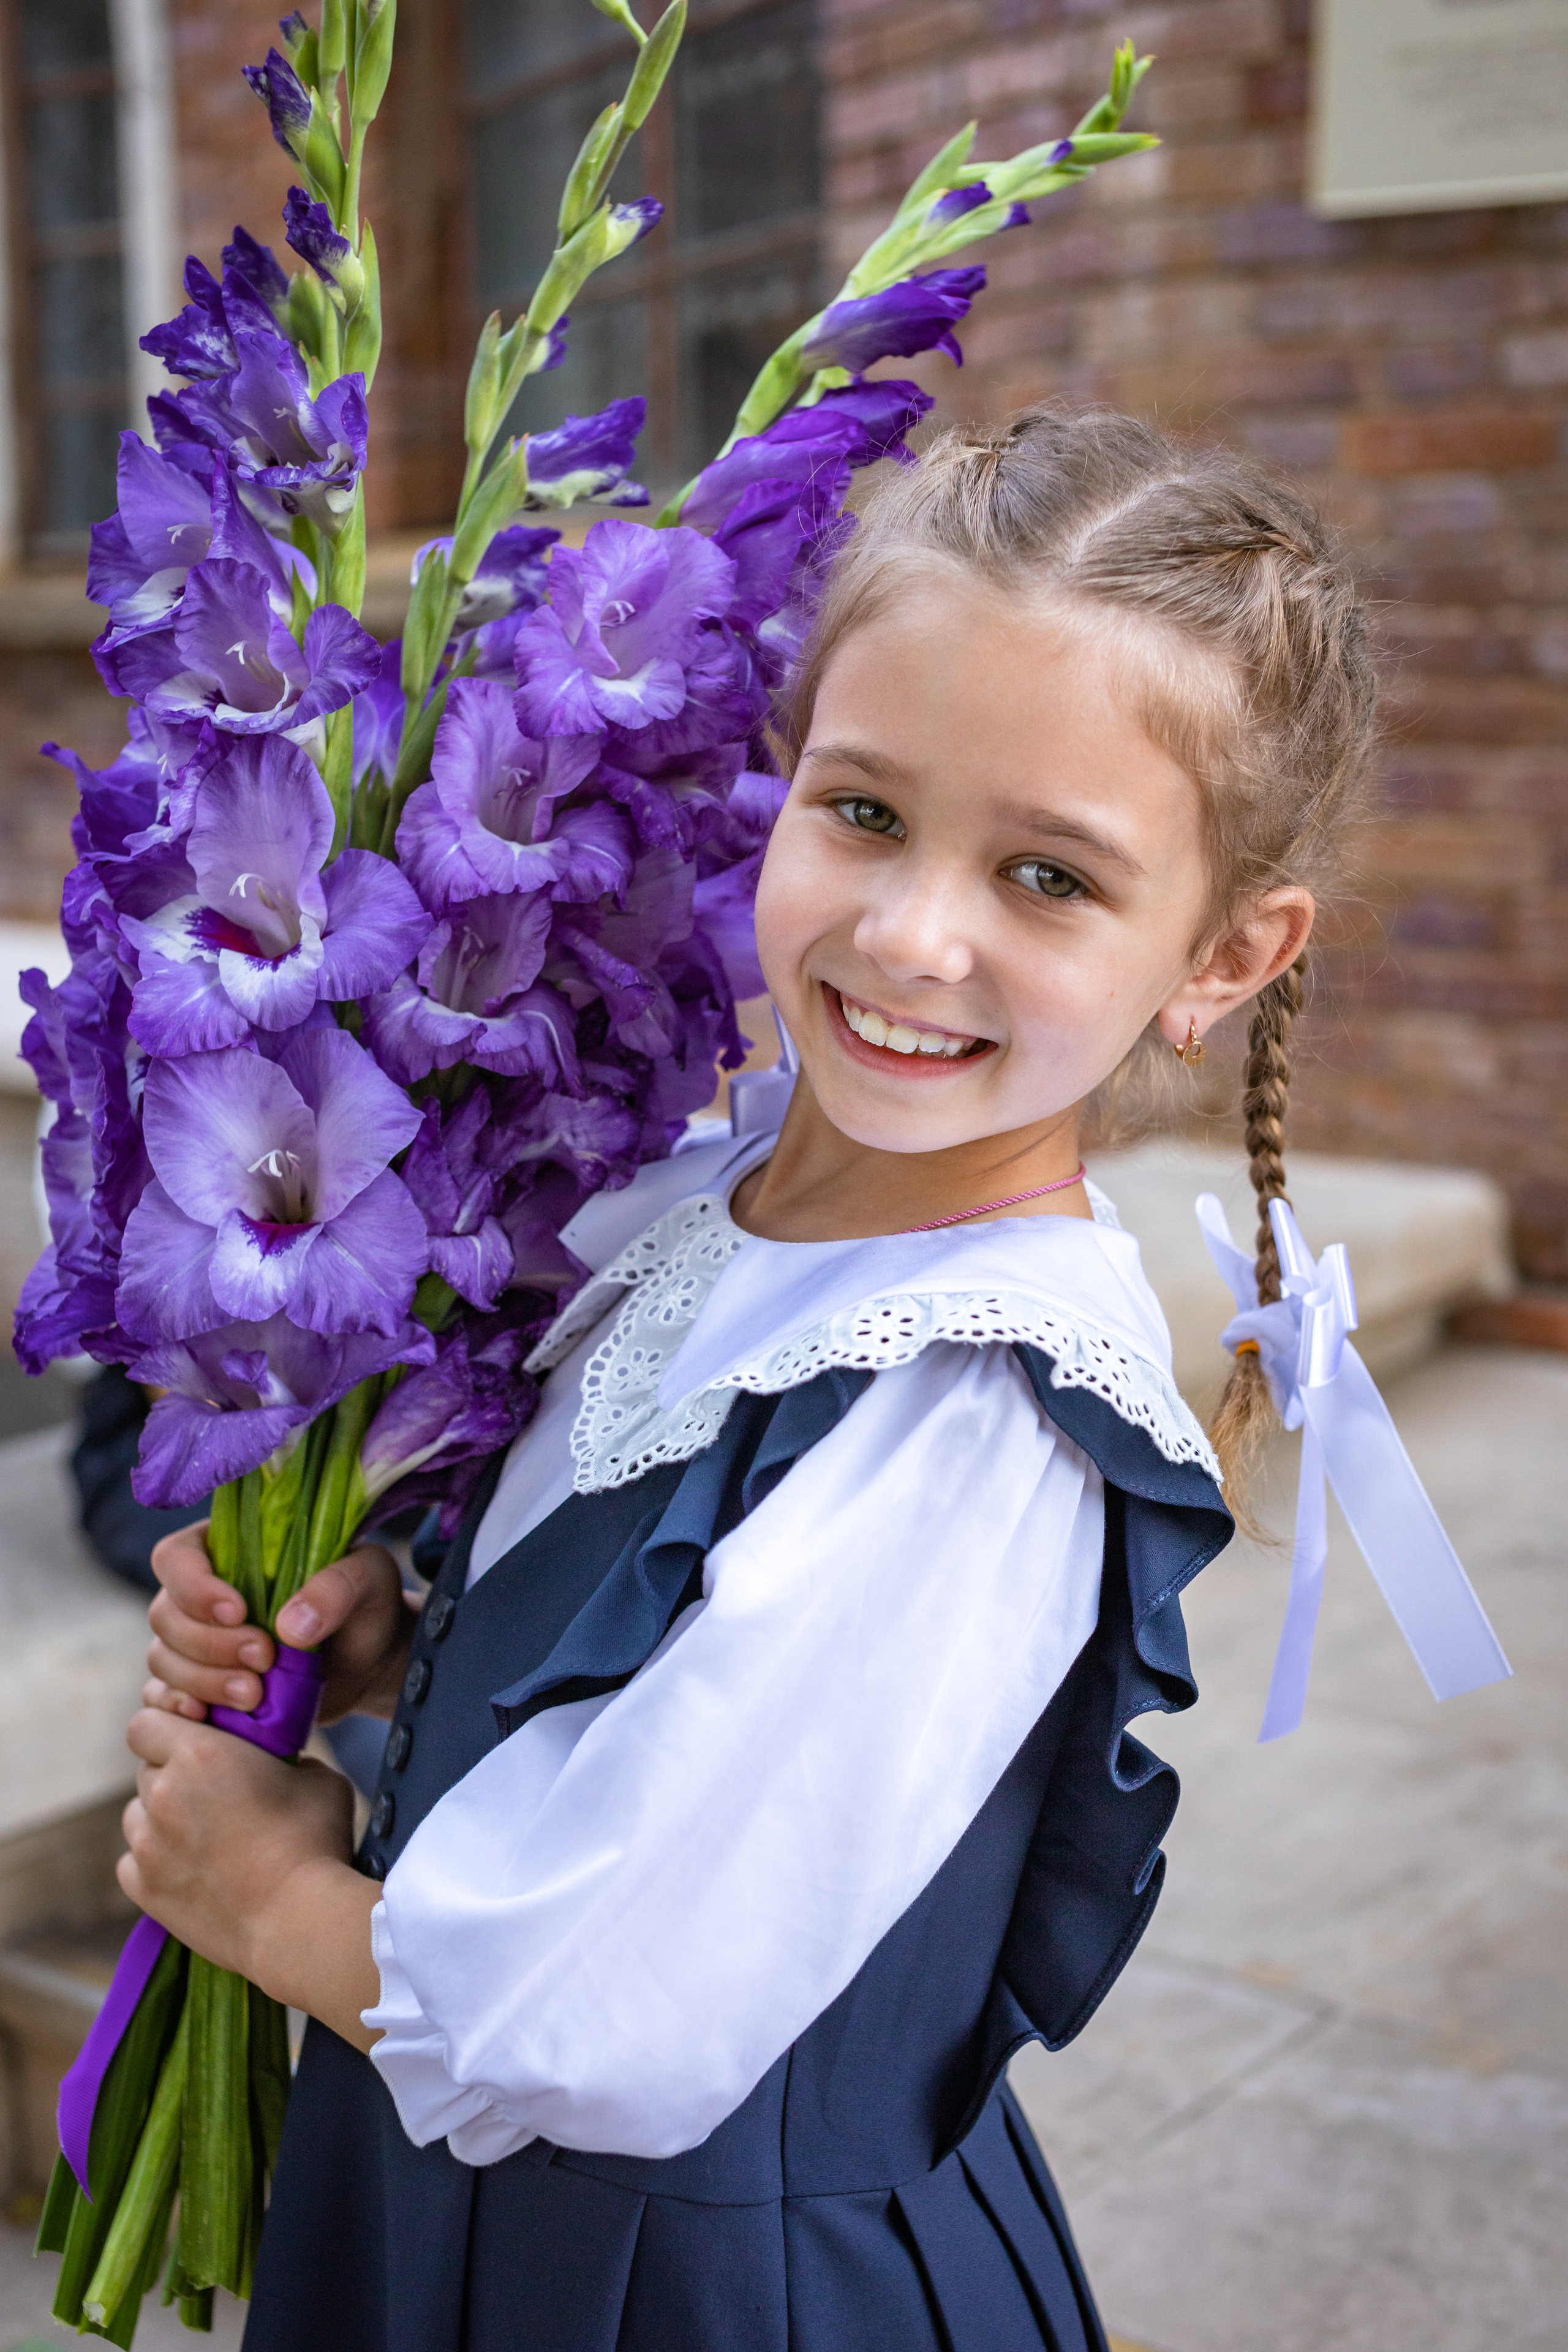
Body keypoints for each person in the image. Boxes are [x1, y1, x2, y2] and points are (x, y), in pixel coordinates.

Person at [120, 405, 1375, 2351]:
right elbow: (673, 1688)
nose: (913, 933)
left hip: (674, 2290)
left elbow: (604, 2019)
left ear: (1223, 955)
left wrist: (275, 1901)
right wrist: (409, 1658)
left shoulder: (971, 1407)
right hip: (467, 2212)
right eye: (863, 813)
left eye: (1049, 878)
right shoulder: (715, 1206)